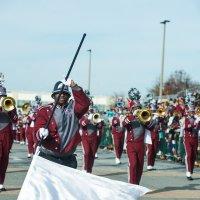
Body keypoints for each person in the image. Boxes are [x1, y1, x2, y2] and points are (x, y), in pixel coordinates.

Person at [34, 79, 90, 168]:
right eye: (59, 93)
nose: (62, 95)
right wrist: (40, 132)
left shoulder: (74, 108)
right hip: (48, 156)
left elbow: (85, 104)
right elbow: (37, 128)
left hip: (68, 159)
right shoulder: (44, 110)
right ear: (53, 95)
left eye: (65, 93)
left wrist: (74, 87)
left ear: (68, 96)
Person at [0, 85, 18, 192]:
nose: (2, 97)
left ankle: (1, 183)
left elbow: (15, 119)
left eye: (3, 95)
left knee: (4, 159)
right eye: (0, 96)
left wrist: (9, 111)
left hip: (6, 134)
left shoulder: (9, 104)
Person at [182, 106, 200, 180]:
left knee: (193, 155)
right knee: (189, 155)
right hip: (187, 139)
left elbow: (198, 129)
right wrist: (195, 123)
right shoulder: (186, 119)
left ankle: (191, 171)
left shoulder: (197, 119)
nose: (192, 113)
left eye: (193, 111)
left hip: (195, 139)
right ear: (188, 112)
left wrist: (198, 122)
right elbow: (187, 127)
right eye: (191, 111)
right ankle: (188, 172)